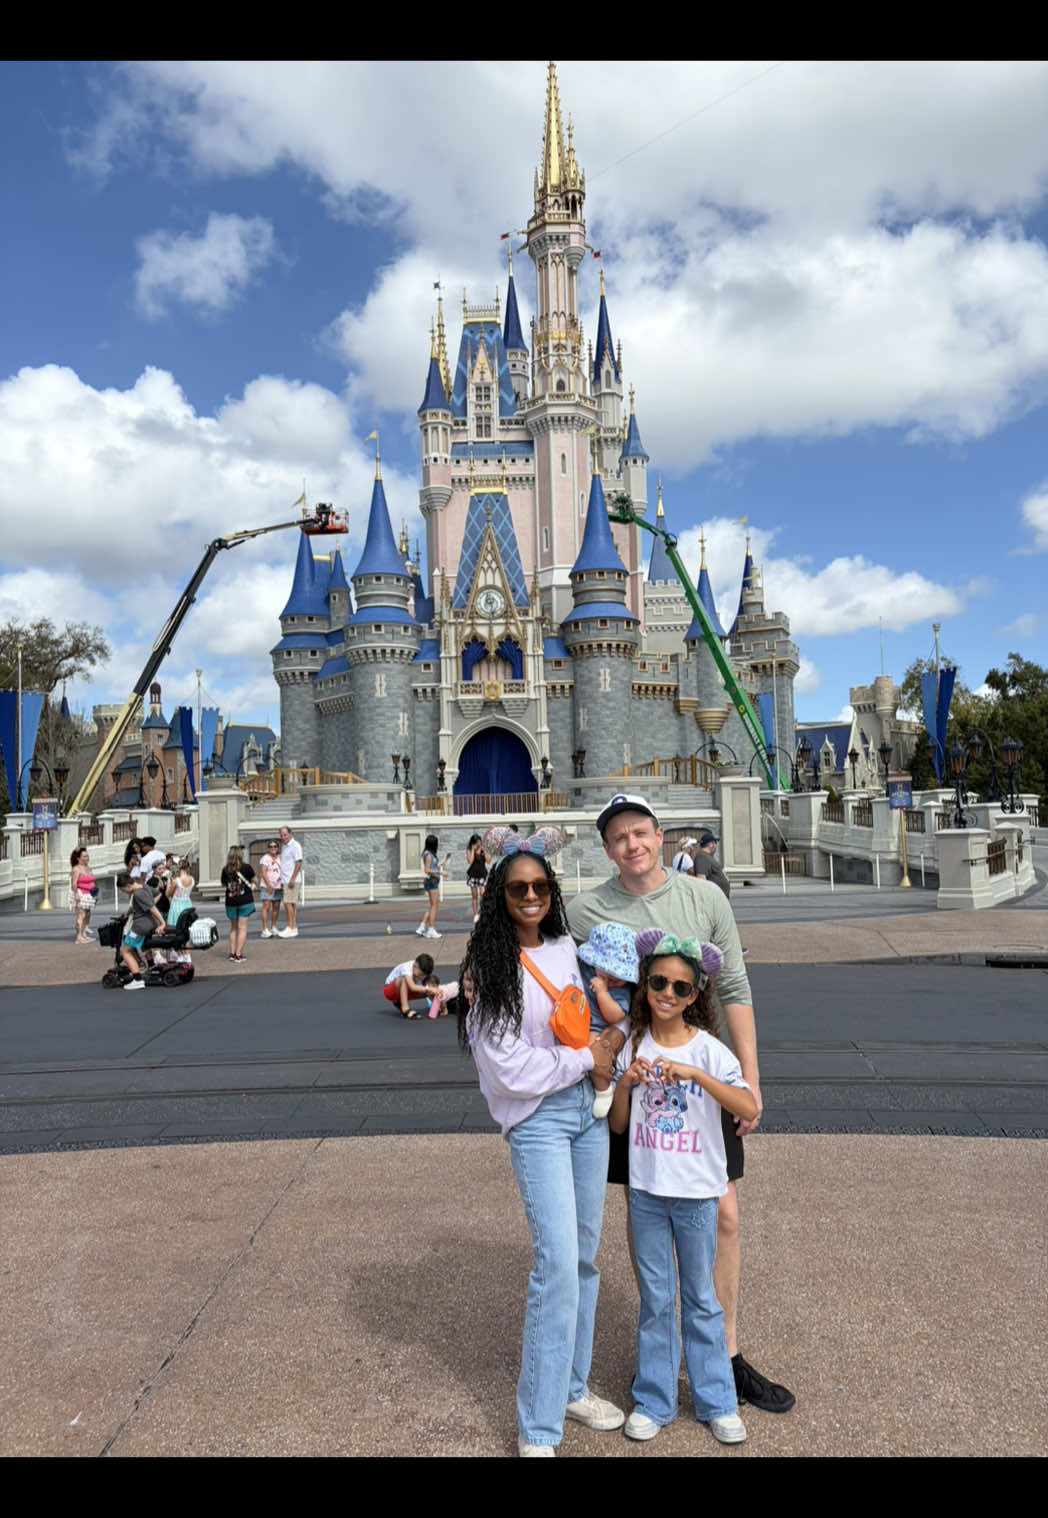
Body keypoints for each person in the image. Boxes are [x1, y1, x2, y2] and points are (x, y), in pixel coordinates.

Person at [566, 792, 795, 1417]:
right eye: (619, 837)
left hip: (701, 1075)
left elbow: (735, 987)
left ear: (660, 834)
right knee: (646, 1216)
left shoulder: (705, 898)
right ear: (606, 848)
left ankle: (725, 1354)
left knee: (724, 1215)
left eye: (640, 832)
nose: (632, 845)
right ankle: (662, 1355)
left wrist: (751, 1080)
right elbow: (558, 977)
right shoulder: (586, 911)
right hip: (638, 1081)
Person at [459, 824, 622, 1457]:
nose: (531, 897)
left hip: (586, 1114)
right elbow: (507, 1069)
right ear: (498, 894)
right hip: (539, 1121)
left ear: (552, 892)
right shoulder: (488, 967)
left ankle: (572, 1387)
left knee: (583, 1260)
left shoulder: (565, 947)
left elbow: (592, 1015)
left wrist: (604, 1051)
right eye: (518, 888)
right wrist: (585, 1060)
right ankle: (538, 1427)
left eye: (540, 888)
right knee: (556, 1265)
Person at [610, 933, 757, 1446]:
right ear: (644, 985)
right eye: (658, 982)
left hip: (697, 1193)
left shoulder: (709, 1050)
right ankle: (655, 1398)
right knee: (655, 1297)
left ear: (695, 995)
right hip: (647, 1191)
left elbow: (748, 1106)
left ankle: (717, 1400)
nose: (667, 994)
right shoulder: (634, 1044)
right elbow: (618, 1126)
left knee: (700, 1296)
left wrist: (696, 1073)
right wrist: (626, 1083)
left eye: (680, 987)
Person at [576, 921, 638, 1119]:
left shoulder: (621, 991)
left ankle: (603, 1089)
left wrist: (603, 992)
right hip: (576, 1016)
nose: (609, 980)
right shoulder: (586, 969)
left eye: (616, 978)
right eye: (605, 974)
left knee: (594, 1052)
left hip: (597, 1026)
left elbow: (615, 1015)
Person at [119, 871, 169, 990]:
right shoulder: (144, 886)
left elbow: (152, 908)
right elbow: (158, 894)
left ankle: (137, 980)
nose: (124, 892)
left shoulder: (138, 894)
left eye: (123, 890)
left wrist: (163, 923)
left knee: (125, 951)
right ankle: (150, 966)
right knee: (142, 946)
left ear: (128, 886)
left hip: (140, 926)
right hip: (149, 923)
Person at [220, 846, 255, 963]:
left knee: (233, 928)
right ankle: (238, 955)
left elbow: (223, 884)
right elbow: (255, 880)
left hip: (231, 902)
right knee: (242, 928)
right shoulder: (247, 867)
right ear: (241, 855)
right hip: (245, 901)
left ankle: (232, 953)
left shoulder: (225, 870)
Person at [383, 953, 436, 1018]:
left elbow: (426, 987)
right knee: (404, 979)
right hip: (389, 991)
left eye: (423, 975)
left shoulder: (419, 970)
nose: (421, 977)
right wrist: (429, 989)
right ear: (415, 966)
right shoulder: (406, 968)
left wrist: (434, 991)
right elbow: (412, 987)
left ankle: (436, 1007)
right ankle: (405, 1010)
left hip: (404, 992)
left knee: (429, 990)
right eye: (420, 974)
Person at [416, 833, 448, 940]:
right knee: (434, 905)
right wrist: (440, 873)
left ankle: (422, 926)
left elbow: (433, 867)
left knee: (433, 905)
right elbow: (427, 870)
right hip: (432, 881)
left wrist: (441, 863)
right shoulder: (428, 855)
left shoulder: (428, 854)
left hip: (432, 881)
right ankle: (431, 929)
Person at [276, 826, 303, 938]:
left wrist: (292, 879)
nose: (283, 837)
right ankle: (293, 927)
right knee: (290, 904)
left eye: (285, 835)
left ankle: (290, 927)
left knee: (287, 903)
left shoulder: (295, 845)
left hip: (291, 880)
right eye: (281, 835)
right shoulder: (284, 846)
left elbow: (298, 862)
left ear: (290, 834)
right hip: (285, 879)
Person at [692, 832, 731, 899]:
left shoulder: (707, 856)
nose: (716, 846)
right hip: (714, 899)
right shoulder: (702, 857)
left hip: (719, 898)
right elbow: (701, 880)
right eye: (715, 843)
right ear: (711, 845)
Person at [258, 840, 284, 938]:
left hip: (278, 886)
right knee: (266, 907)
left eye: (275, 846)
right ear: (268, 848)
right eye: (271, 846)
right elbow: (263, 872)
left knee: (276, 907)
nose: (273, 848)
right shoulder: (265, 858)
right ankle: (265, 929)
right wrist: (268, 885)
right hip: (267, 886)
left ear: (277, 847)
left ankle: (273, 927)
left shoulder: (280, 858)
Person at [70, 847, 96, 944]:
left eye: (87, 856)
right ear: (78, 858)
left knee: (87, 915)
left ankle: (83, 934)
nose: (87, 858)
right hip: (80, 894)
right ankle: (78, 937)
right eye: (84, 856)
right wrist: (76, 894)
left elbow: (92, 880)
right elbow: (74, 883)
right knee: (81, 915)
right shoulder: (76, 869)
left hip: (90, 894)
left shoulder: (88, 868)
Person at [465, 832, 488, 922]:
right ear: (473, 843)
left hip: (482, 875)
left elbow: (489, 861)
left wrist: (484, 851)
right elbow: (470, 862)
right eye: (477, 842)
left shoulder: (483, 850)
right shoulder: (469, 850)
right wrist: (473, 850)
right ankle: (475, 914)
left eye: (479, 842)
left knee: (483, 894)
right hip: (473, 875)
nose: (479, 844)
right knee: (474, 896)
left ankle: (483, 912)